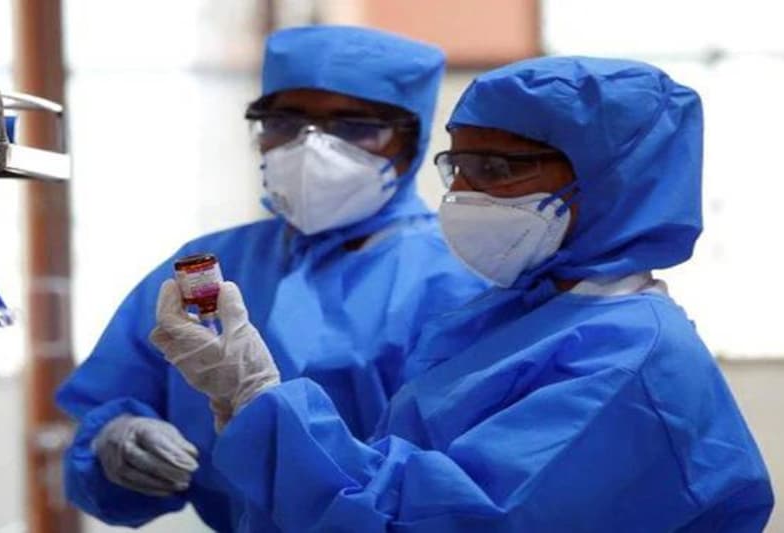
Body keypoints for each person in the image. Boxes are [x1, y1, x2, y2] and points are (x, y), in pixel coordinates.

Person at [152, 56, 775, 531]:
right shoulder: (512, 316)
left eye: (500, 171)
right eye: (460, 168)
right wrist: (245, 406)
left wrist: (260, 399)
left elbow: (445, 515)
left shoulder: (632, 361)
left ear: (612, 183)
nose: (466, 196)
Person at [56, 25, 487, 530]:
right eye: (283, 120)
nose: (312, 147)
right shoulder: (209, 264)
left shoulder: (465, 276)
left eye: (353, 127)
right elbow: (108, 404)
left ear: (411, 140)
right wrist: (116, 440)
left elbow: (470, 482)